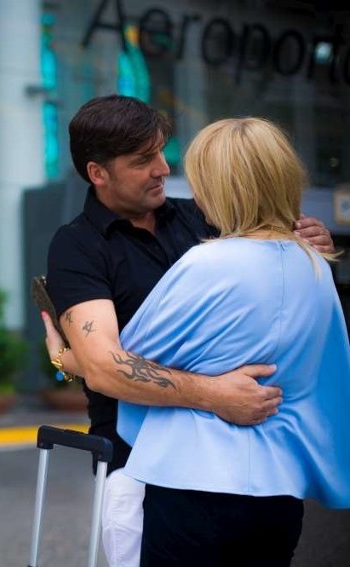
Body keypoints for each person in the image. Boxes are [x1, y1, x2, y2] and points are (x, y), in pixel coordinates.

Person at [40, 95, 334, 567]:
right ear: (98, 173)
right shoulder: (78, 246)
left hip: (259, 463)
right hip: (147, 472)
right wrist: (213, 394)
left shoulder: (203, 217)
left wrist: (303, 240)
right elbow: (104, 367)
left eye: (162, 152)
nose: (161, 168)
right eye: (142, 160)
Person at [116, 117, 350, 565]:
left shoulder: (206, 263)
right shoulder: (317, 269)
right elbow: (329, 375)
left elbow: (130, 360)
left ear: (224, 188)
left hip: (192, 482)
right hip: (280, 490)